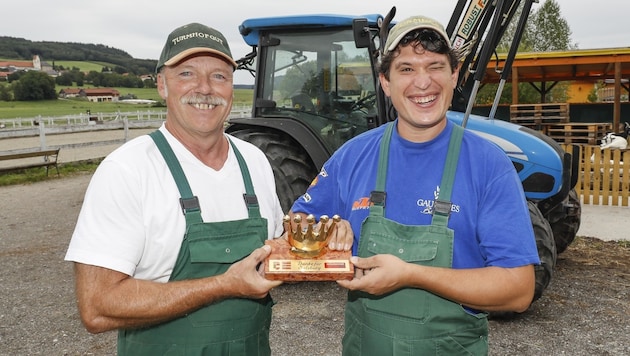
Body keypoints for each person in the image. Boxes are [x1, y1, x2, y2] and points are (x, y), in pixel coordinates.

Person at [290, 15, 540, 355]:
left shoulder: (489, 165)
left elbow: (518, 290)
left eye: (435, 66)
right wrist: (327, 236)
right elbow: (295, 231)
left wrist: (411, 274)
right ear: (385, 82)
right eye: (406, 69)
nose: (423, 83)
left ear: (455, 76)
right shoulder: (352, 157)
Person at [65, 23, 287, 355]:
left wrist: (323, 238)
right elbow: (97, 307)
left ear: (232, 87)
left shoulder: (254, 161)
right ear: (161, 85)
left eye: (219, 76)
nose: (205, 88)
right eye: (186, 74)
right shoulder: (127, 170)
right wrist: (223, 285)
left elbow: (278, 245)